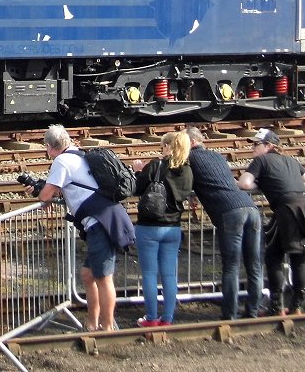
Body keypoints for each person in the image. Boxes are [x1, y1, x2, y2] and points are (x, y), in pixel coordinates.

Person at [28, 125, 134, 332]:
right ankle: (92, 324)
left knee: (103, 278)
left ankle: (107, 328)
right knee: (88, 274)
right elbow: (66, 189)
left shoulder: (61, 161)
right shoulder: (78, 154)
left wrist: (40, 191)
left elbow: (45, 195)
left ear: (50, 147)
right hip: (101, 221)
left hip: (100, 223)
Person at [238, 128, 305, 315]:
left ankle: (276, 307)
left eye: (256, 145)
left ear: (269, 146)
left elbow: (244, 184)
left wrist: (261, 184)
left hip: (288, 210)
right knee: (298, 256)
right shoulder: (291, 160)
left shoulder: (261, 161)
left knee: (273, 257)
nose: (252, 149)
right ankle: (296, 306)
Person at [185, 126, 265, 319]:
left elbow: (186, 183)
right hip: (250, 208)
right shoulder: (217, 156)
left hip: (229, 213)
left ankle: (230, 314)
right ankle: (253, 310)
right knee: (254, 265)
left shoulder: (191, 159)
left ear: (192, 142)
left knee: (231, 266)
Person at [131, 130, 194, 327]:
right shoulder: (188, 171)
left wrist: (139, 171)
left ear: (168, 147)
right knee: (169, 275)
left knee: (149, 274)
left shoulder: (157, 165)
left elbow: (137, 188)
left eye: (162, 146)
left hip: (149, 226)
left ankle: (151, 318)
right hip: (173, 227)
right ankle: (167, 318)